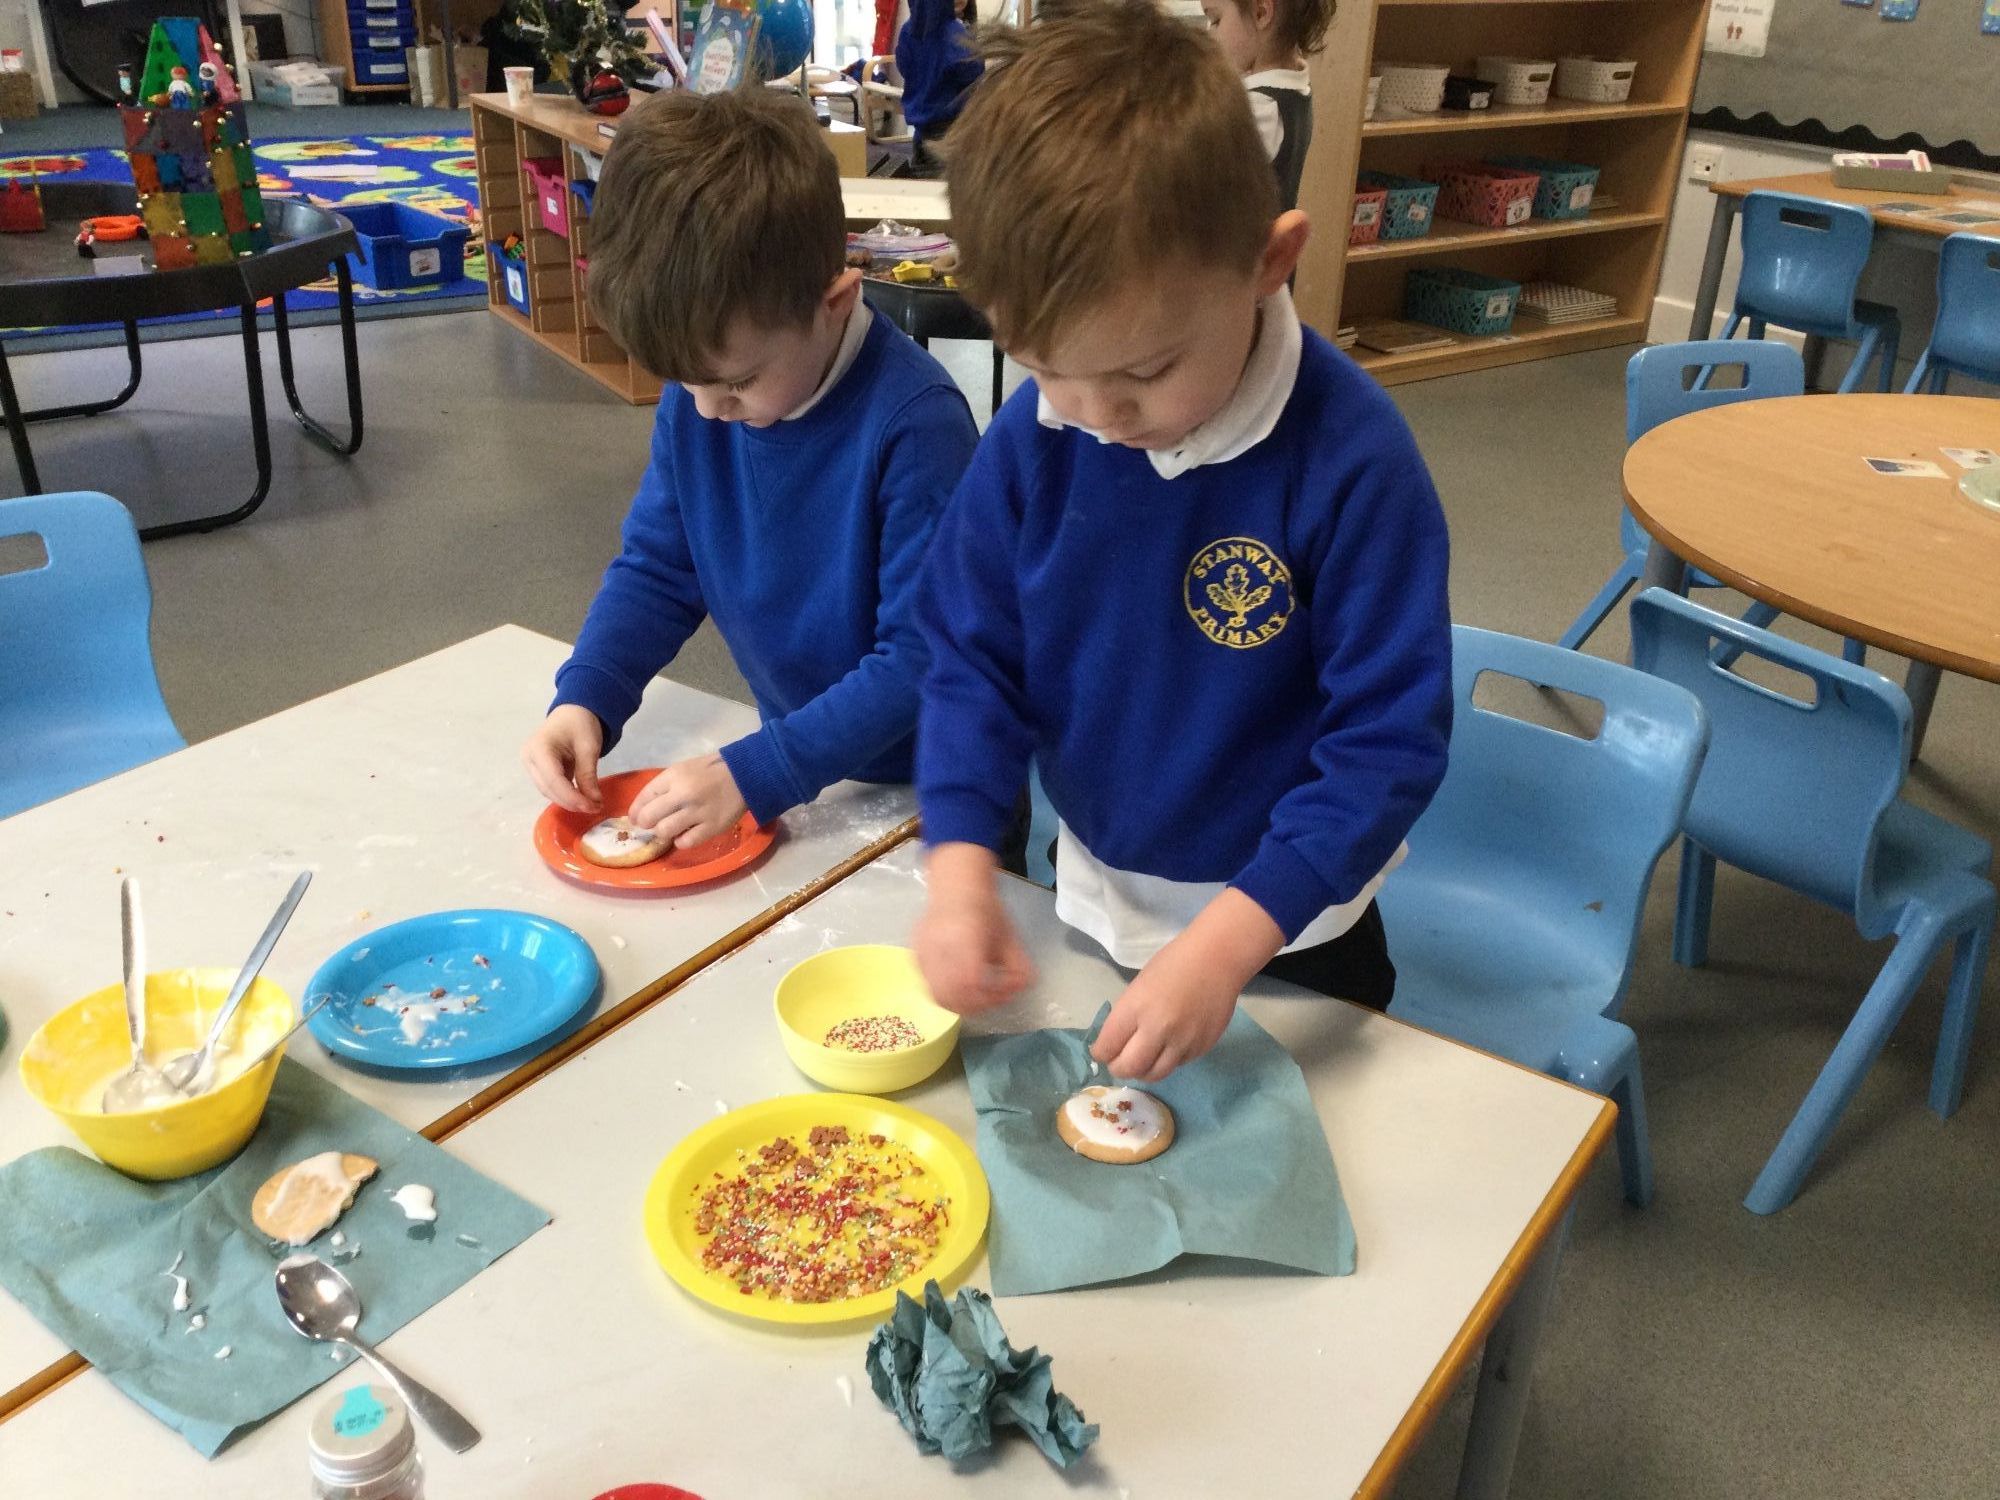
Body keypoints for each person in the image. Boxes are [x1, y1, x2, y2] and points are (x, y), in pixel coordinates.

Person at [910, 0, 1452, 1083]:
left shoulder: (1350, 461)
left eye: (1144, 373)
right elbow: (971, 656)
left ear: (1268, 262)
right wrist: (961, 861)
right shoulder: (1041, 429)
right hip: (1100, 888)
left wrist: (1228, 943)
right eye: (1044, 364)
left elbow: (1385, 744)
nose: (1090, 411)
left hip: (1291, 929)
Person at [523, 88, 979, 844]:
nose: (706, 412)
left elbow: (923, 657)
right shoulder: (710, 392)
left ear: (834, 303)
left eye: (735, 382)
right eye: (687, 383)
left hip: (940, 792)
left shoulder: (916, 426)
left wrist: (762, 768)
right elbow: (661, 568)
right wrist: (588, 695)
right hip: (810, 767)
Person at [1201, 0, 1335, 211]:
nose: (1209, 35)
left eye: (1216, 20)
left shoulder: (1260, 109)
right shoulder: (1293, 84)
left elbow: (1196, 182)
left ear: (1261, 13)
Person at [895, 0, 983, 176]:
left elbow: (903, 66)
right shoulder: (954, 32)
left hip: (920, 131)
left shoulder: (907, 31)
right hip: (948, 129)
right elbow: (973, 71)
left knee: (921, 182)